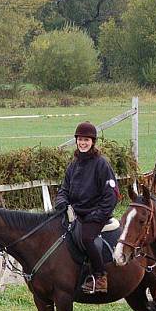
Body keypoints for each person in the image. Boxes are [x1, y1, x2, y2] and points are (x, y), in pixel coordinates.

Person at [54, 121, 119, 294]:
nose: (83, 143)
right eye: (80, 139)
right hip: (76, 214)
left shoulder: (101, 164)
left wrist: (97, 215)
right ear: (76, 141)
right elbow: (64, 189)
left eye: (87, 140)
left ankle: (100, 277)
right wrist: (61, 202)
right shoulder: (73, 165)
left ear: (93, 142)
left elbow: (111, 195)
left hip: (96, 215)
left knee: (87, 238)